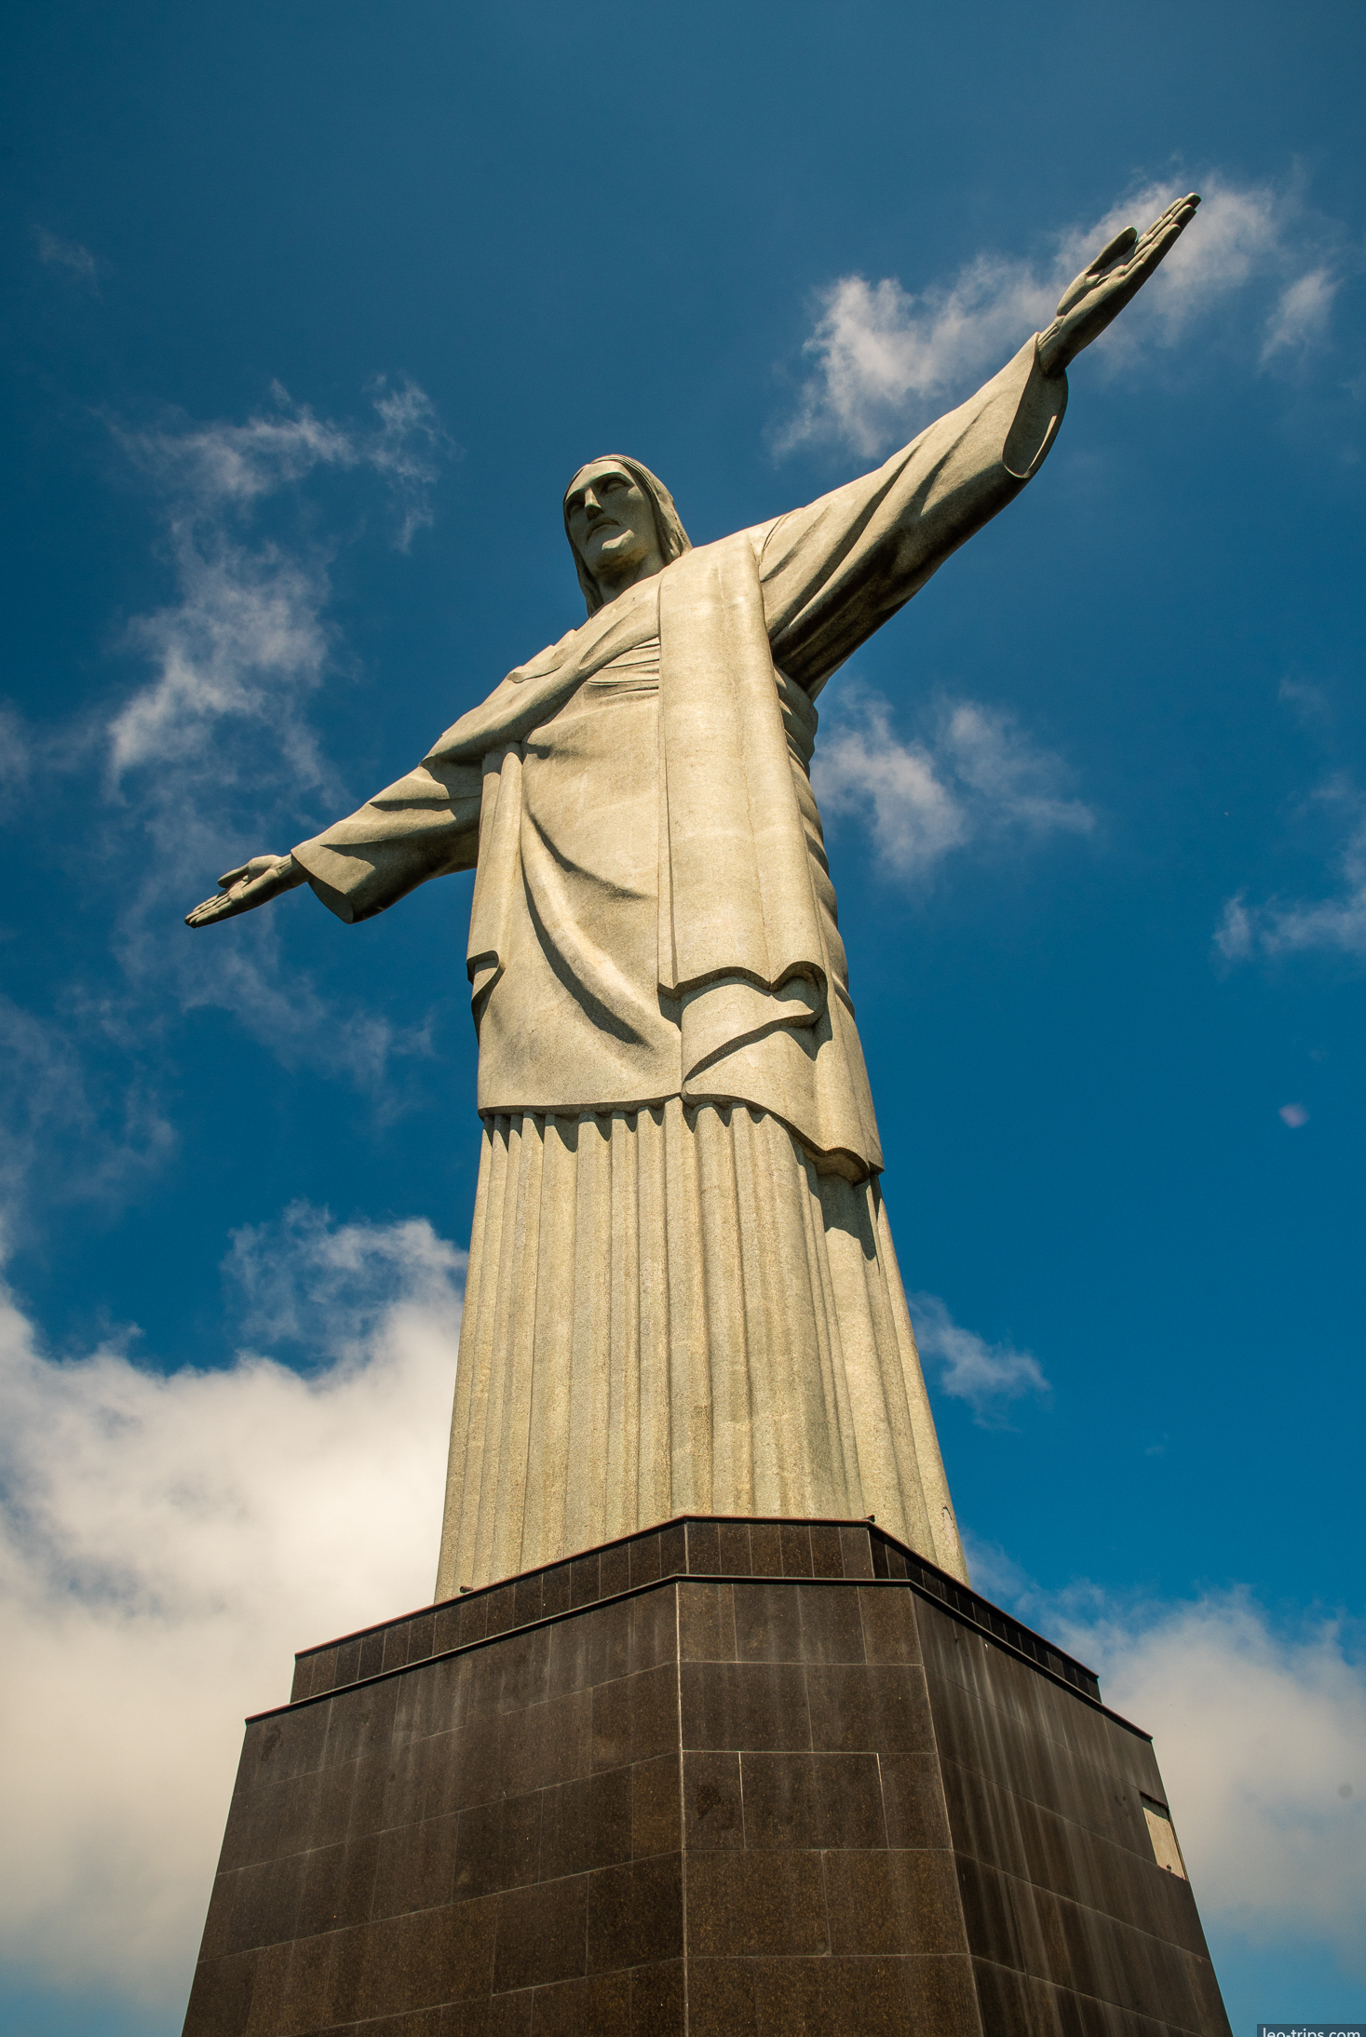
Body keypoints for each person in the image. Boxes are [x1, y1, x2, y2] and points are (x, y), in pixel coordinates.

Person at [188, 196, 1199, 1596]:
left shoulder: (734, 585)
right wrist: (306, 856)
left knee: (741, 1140)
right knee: (551, 1194)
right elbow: (442, 794)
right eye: (570, 504)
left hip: (708, 923)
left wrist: (1042, 352)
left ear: (660, 514)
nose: (594, 508)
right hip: (555, 964)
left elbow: (898, 497)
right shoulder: (532, 679)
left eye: (616, 489)